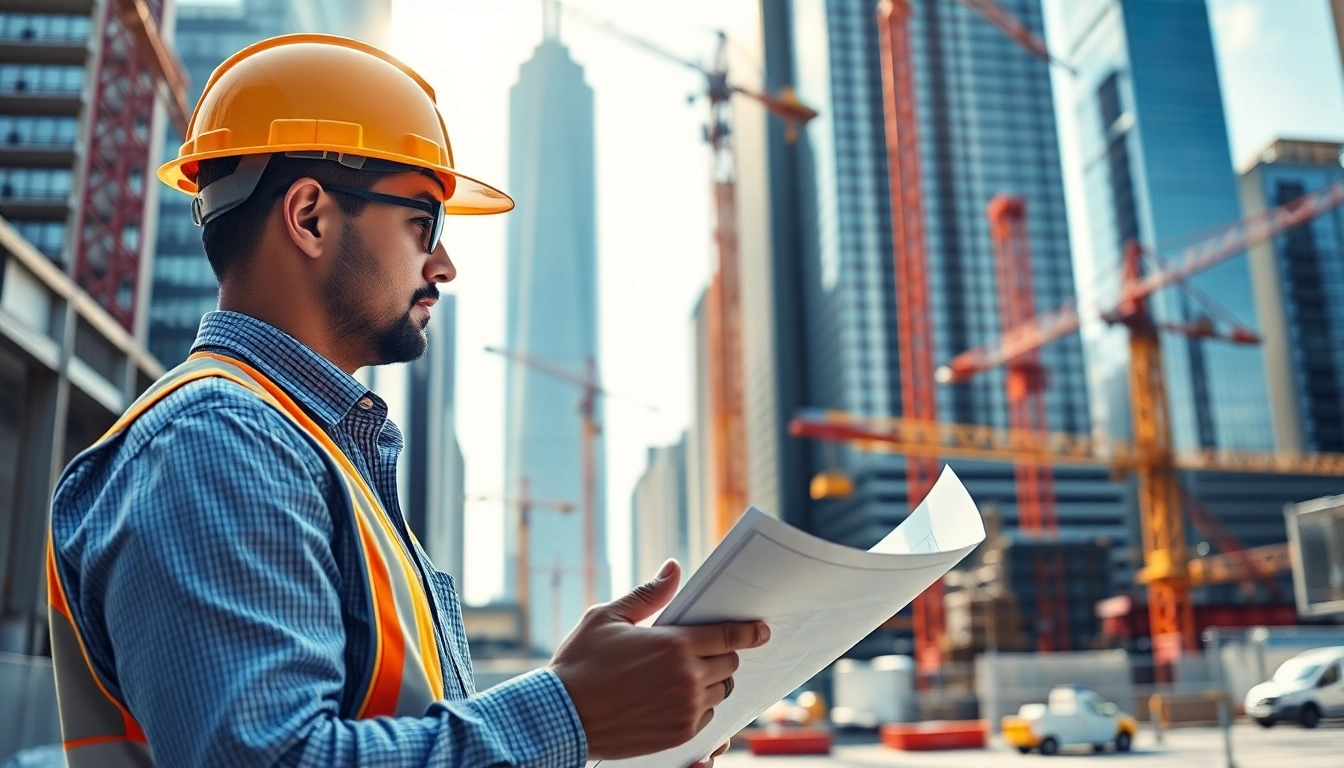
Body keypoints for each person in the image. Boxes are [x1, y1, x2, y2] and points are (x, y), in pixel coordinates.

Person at [46, 34, 769, 768]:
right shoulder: (217, 443)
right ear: (310, 217)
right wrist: (572, 711)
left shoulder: (317, 456)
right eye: (422, 222)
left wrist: (600, 729)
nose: (445, 265)